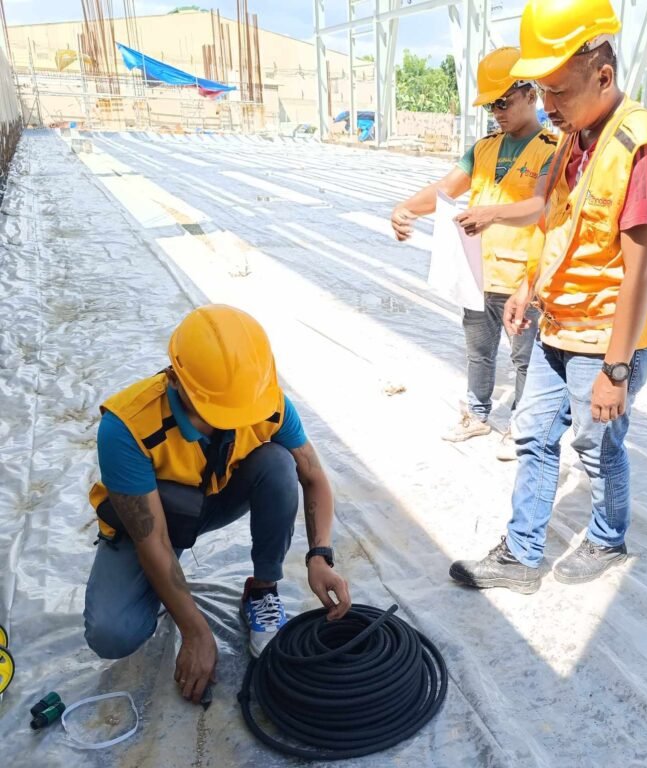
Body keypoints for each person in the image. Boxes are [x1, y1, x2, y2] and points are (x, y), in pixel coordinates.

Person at [449, 0, 647, 592]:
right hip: (558, 325)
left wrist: (617, 369)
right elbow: (553, 218)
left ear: (603, 76)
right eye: (542, 91)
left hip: (608, 337)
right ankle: (522, 557)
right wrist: (529, 285)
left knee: (596, 444)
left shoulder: (641, 150)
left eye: (560, 91)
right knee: (533, 435)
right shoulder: (571, 139)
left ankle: (607, 539)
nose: (548, 105)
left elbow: (642, 270)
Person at [83, 305, 351, 704]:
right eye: (218, 413)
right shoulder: (126, 427)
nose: (232, 422)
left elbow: (312, 476)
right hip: (158, 519)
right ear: (175, 380)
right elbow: (152, 538)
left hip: (217, 497)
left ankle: (261, 591)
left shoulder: (267, 403)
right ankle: (161, 591)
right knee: (113, 633)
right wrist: (195, 630)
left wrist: (320, 556)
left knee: (278, 463)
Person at [391, 47, 558, 460]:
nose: (497, 112)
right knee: (479, 352)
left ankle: (521, 424)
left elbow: (541, 207)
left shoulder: (551, 149)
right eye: (491, 105)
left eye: (504, 102)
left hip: (522, 278)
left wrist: (493, 215)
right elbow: (445, 189)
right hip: (477, 274)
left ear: (530, 93)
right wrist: (406, 206)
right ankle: (478, 413)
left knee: (524, 359)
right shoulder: (484, 149)